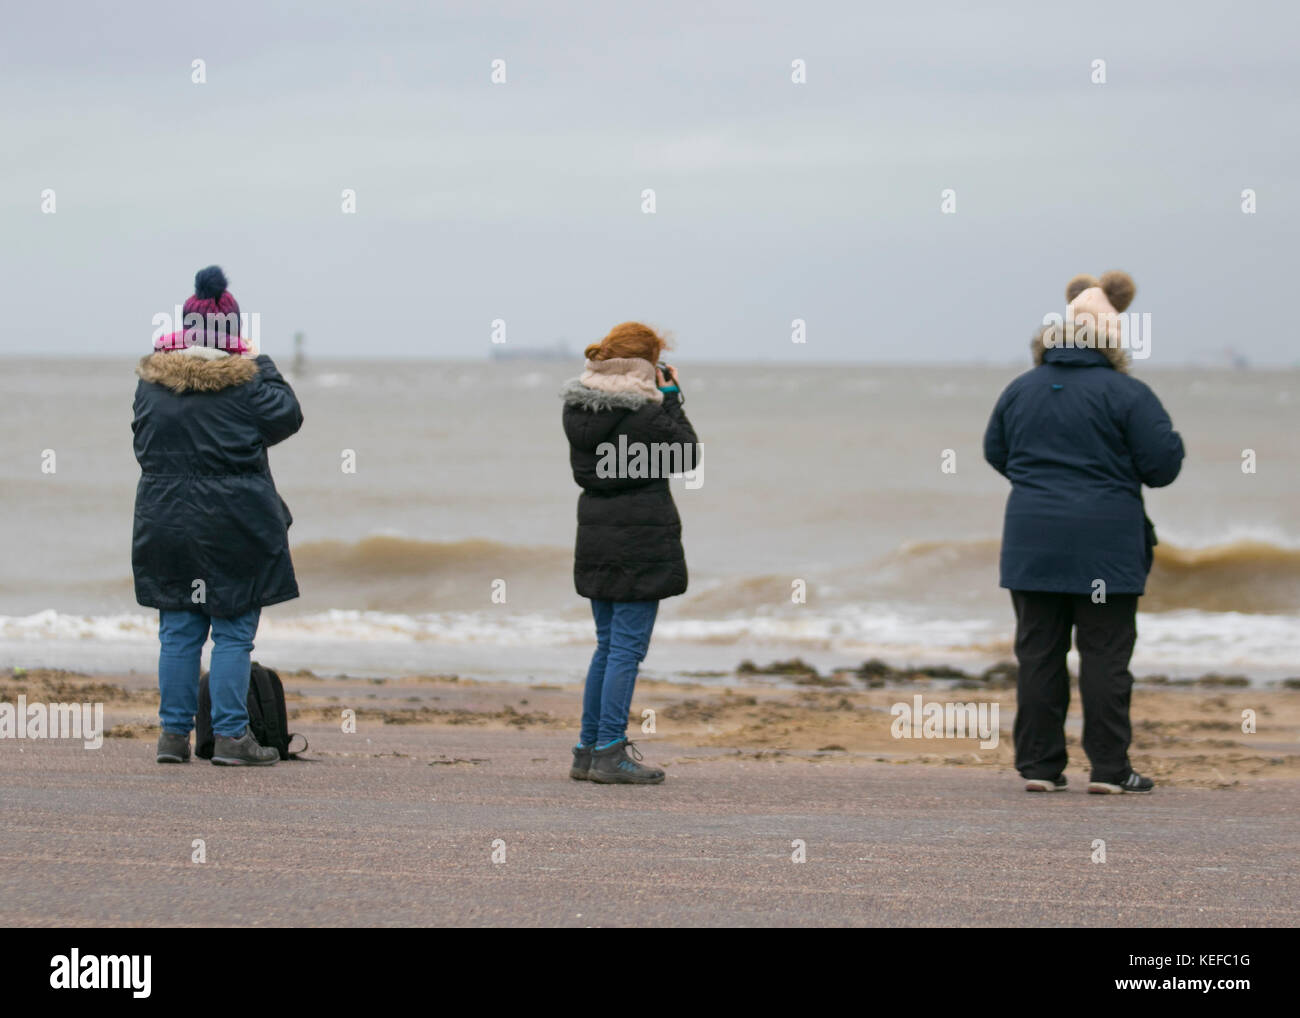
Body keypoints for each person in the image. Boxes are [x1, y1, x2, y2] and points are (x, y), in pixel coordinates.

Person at [983, 271, 1184, 794]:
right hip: (1107, 547)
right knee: (1105, 658)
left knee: (1038, 655)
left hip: (1032, 543)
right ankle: (1111, 772)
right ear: (1112, 339)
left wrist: (1041, 485)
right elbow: (1162, 468)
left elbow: (996, 453)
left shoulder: (1019, 390)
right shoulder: (1129, 394)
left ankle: (1040, 768)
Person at [132, 266, 303, 766]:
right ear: (234, 335)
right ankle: (230, 737)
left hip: (165, 522)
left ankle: (172, 738)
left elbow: (141, 444)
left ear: (185, 330)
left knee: (179, 631)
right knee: (232, 630)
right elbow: (289, 415)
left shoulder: (151, 386)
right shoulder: (248, 385)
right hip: (235, 525)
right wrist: (261, 361)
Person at [561, 322, 700, 784]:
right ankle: (609, 752)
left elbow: (601, 470)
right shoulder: (646, 412)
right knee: (625, 650)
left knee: (607, 647)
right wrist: (674, 395)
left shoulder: (578, 409)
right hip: (640, 538)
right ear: (646, 365)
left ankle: (588, 749)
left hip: (596, 535)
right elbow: (686, 456)